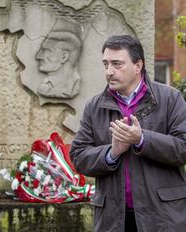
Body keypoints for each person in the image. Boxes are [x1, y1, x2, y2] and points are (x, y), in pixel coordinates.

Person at [70, 34, 186, 232]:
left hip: (162, 217)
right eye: (106, 64)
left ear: (138, 66)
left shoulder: (170, 98)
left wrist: (142, 140)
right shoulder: (94, 106)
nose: (109, 71)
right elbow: (79, 156)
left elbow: (183, 147)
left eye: (117, 64)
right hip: (113, 219)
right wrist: (111, 153)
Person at [36, 21, 82, 99]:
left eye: (46, 51)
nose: (38, 56)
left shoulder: (73, 87)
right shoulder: (45, 86)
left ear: (64, 56)